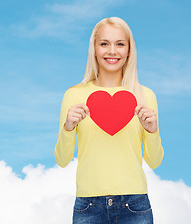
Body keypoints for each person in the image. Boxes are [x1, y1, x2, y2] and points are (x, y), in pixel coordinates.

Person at [54, 17, 164, 224]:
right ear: (94, 49)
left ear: (129, 50)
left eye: (120, 44)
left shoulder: (145, 95)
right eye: (104, 44)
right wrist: (68, 128)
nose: (112, 51)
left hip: (135, 206)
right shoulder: (73, 95)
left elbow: (155, 161)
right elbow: (62, 160)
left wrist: (152, 131)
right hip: (88, 207)